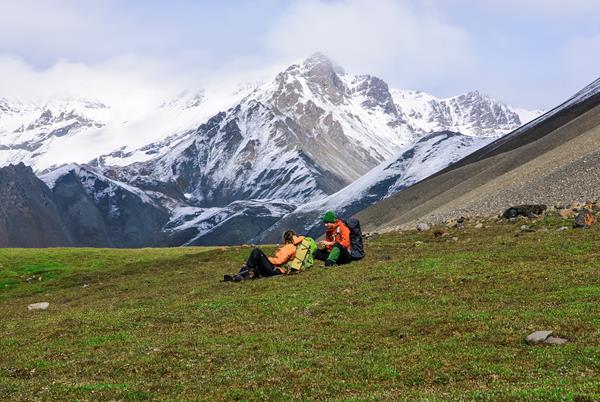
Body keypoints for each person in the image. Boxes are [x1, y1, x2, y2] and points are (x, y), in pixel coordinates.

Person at [224, 230, 306, 282]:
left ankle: (239, 276)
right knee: (253, 266)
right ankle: (237, 277)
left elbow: (279, 261)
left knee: (256, 252)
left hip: (277, 270)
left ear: (286, 238)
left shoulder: (289, 247)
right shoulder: (293, 246)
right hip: (276, 269)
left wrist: (267, 259)